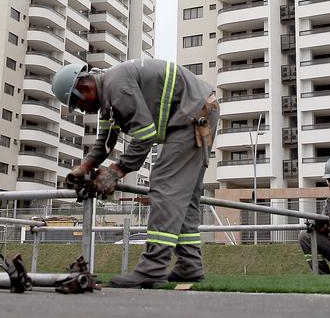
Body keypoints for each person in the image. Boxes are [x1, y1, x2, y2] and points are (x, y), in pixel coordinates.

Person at [52, 57, 217, 288]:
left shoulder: (116, 86)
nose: (82, 110)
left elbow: (145, 135)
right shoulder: (109, 94)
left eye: (78, 104)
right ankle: (189, 265)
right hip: (198, 110)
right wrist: (84, 168)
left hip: (192, 115)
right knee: (186, 196)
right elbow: (106, 142)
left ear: (85, 87)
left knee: (164, 186)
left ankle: (153, 267)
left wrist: (116, 171)